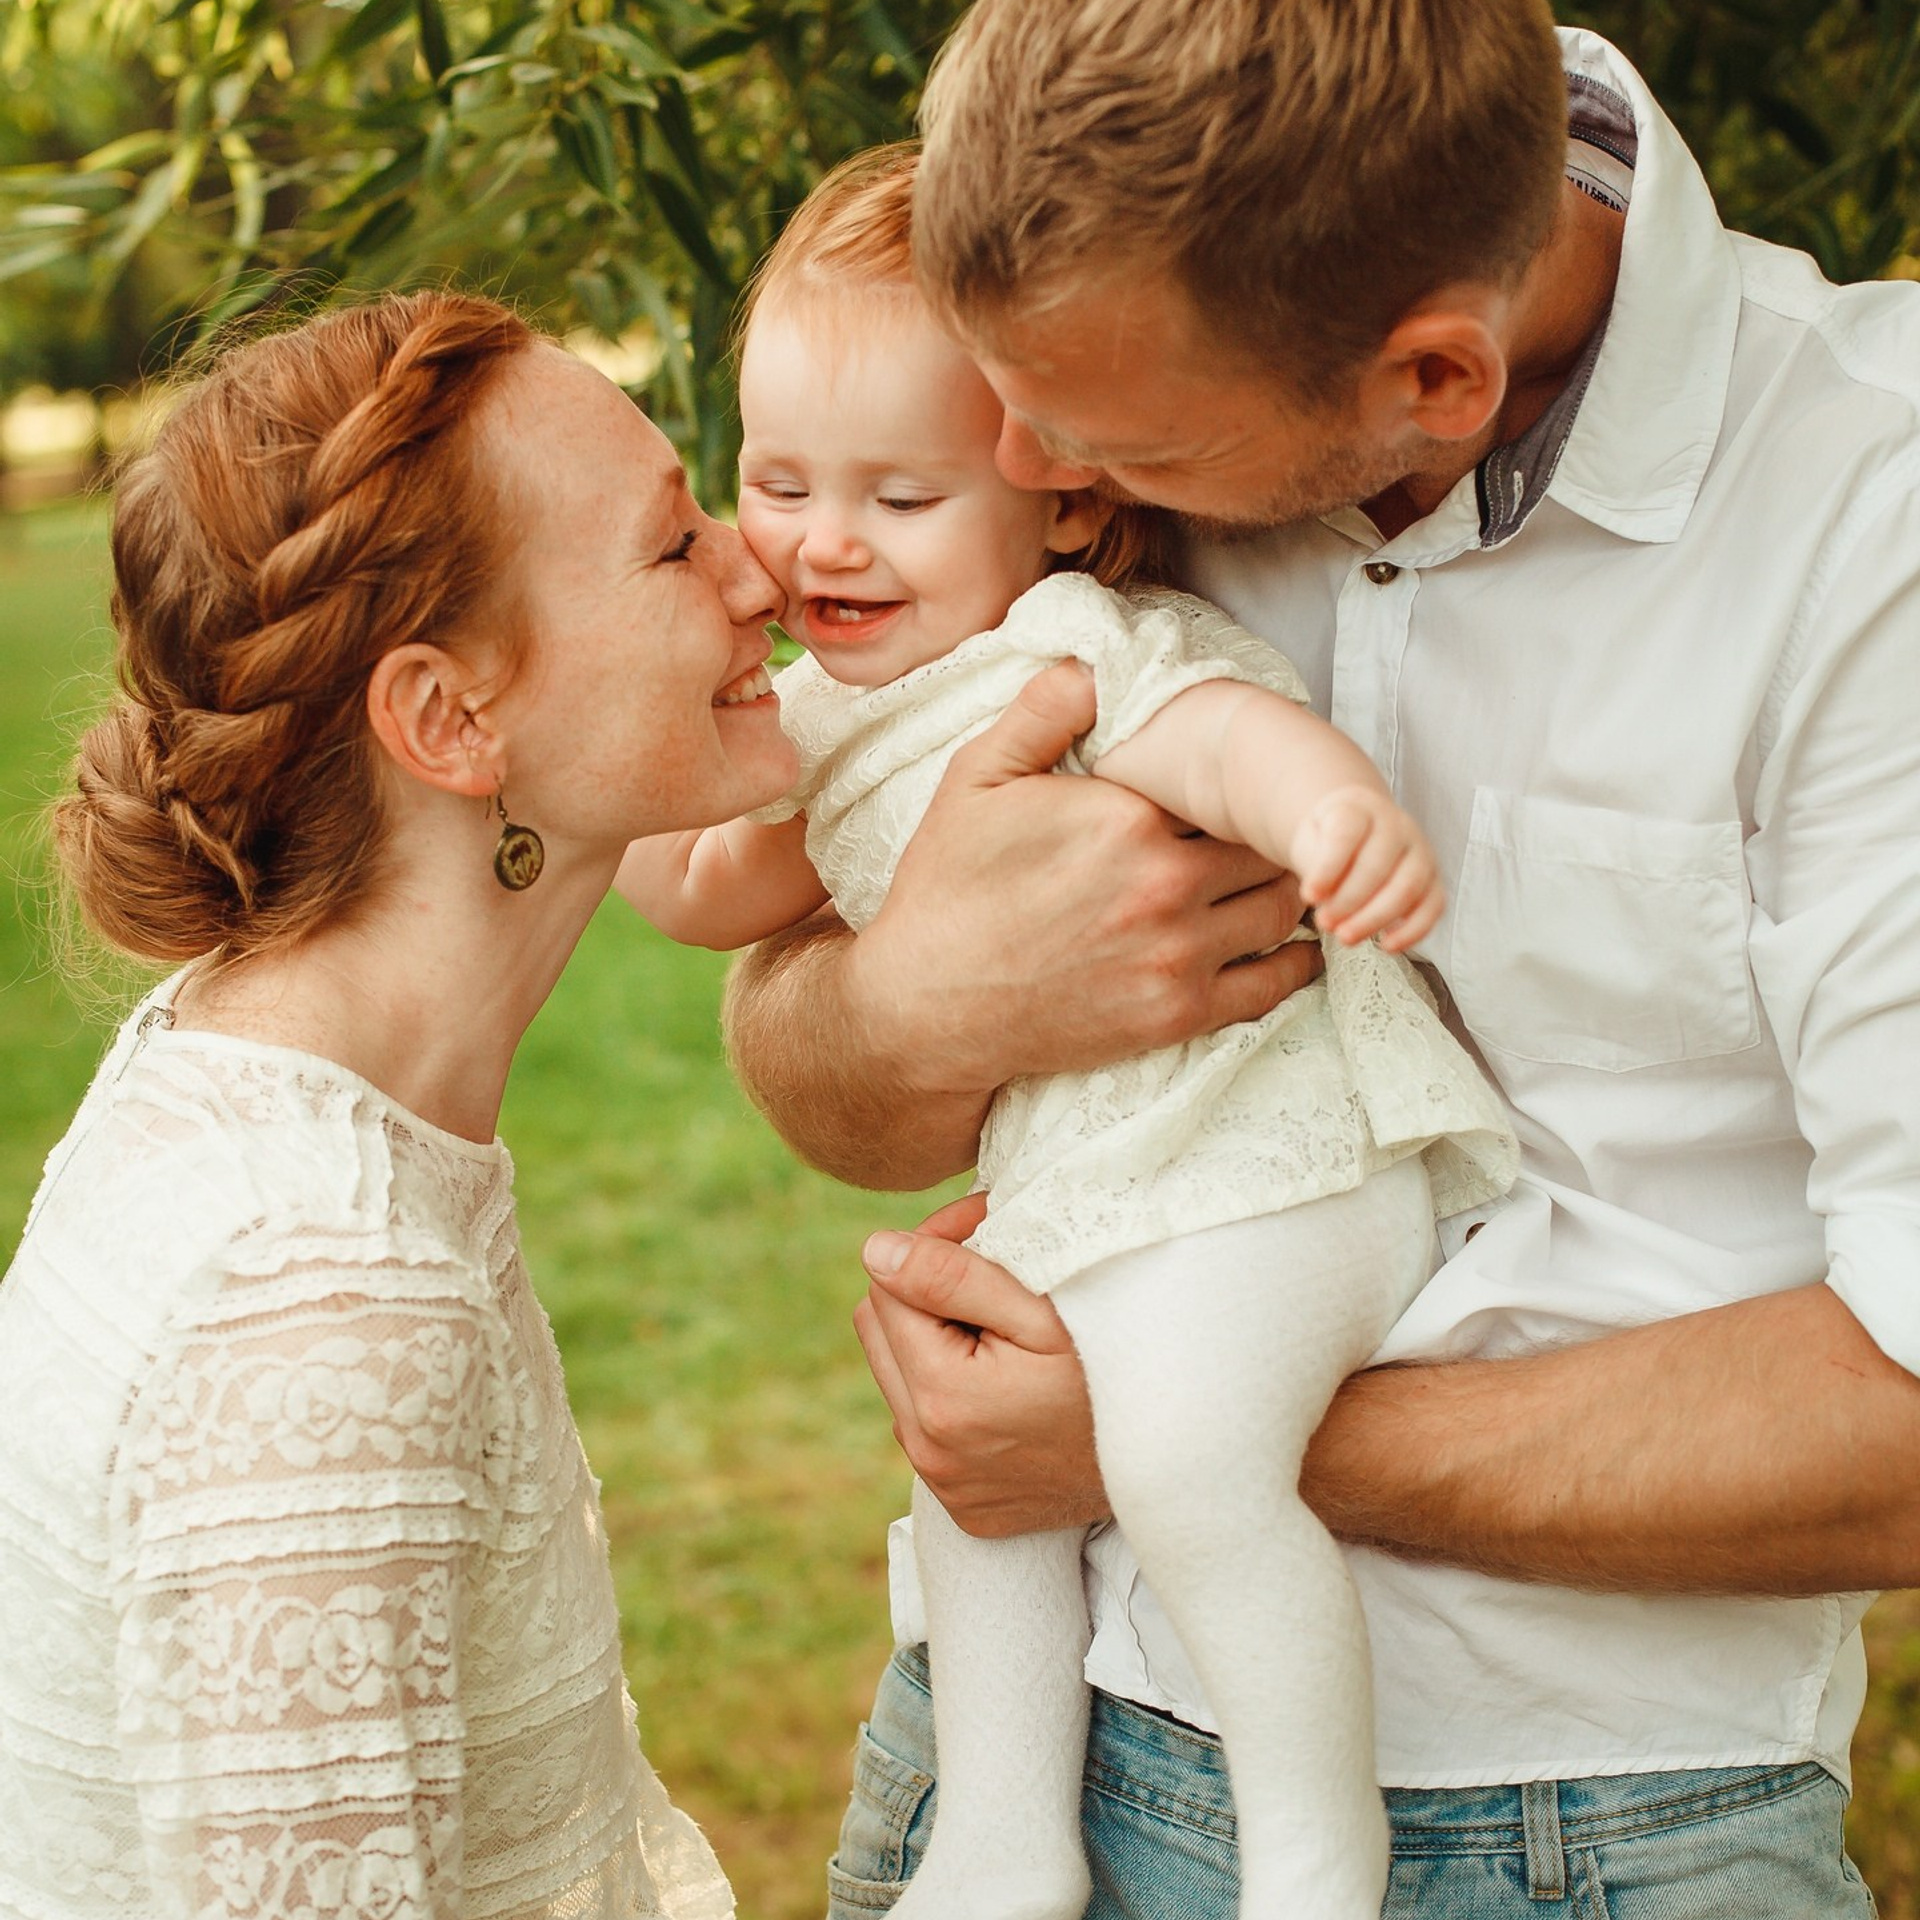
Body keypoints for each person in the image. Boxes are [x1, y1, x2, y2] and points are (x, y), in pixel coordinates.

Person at [719, 2, 1920, 1915]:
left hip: (1568, 1833)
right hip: (991, 1741)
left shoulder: (1874, 523)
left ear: (1433, 379)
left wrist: (1169, 1432)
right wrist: (905, 1000)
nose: (1027, 463)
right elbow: (809, 1027)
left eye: (1101, 434)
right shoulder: (1153, 301)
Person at [619, 144, 1515, 1920]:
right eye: (776, 482)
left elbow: (1220, 745)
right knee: (978, 1479)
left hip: (1272, 1158)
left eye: (897, 494)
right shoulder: (819, 707)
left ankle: (1316, 1861)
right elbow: (694, 884)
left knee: (1187, 1464)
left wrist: (1331, 810)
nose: (821, 540)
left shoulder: (1073, 641)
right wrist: (660, 733)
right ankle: (1005, 1836)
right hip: (1096, 1185)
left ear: (1063, 502)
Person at [0, 290, 792, 1920]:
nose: (761, 571)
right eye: (671, 549)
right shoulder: (315, 1293)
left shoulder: (250, 1074)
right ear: (449, 720)